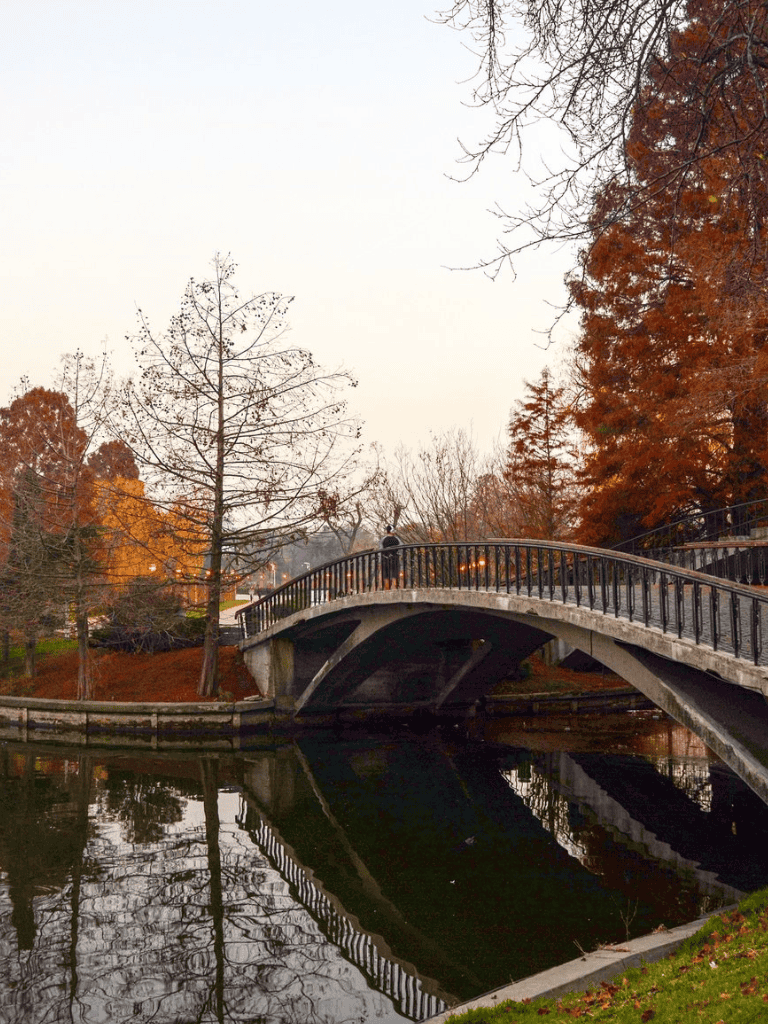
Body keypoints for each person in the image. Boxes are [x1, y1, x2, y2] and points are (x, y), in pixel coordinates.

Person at [380, 525, 401, 590]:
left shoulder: (383, 539)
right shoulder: (397, 539)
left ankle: (387, 589)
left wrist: (380, 560)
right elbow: (400, 549)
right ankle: (394, 588)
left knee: (386, 575)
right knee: (394, 574)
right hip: (395, 559)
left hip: (385, 559)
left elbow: (380, 549)